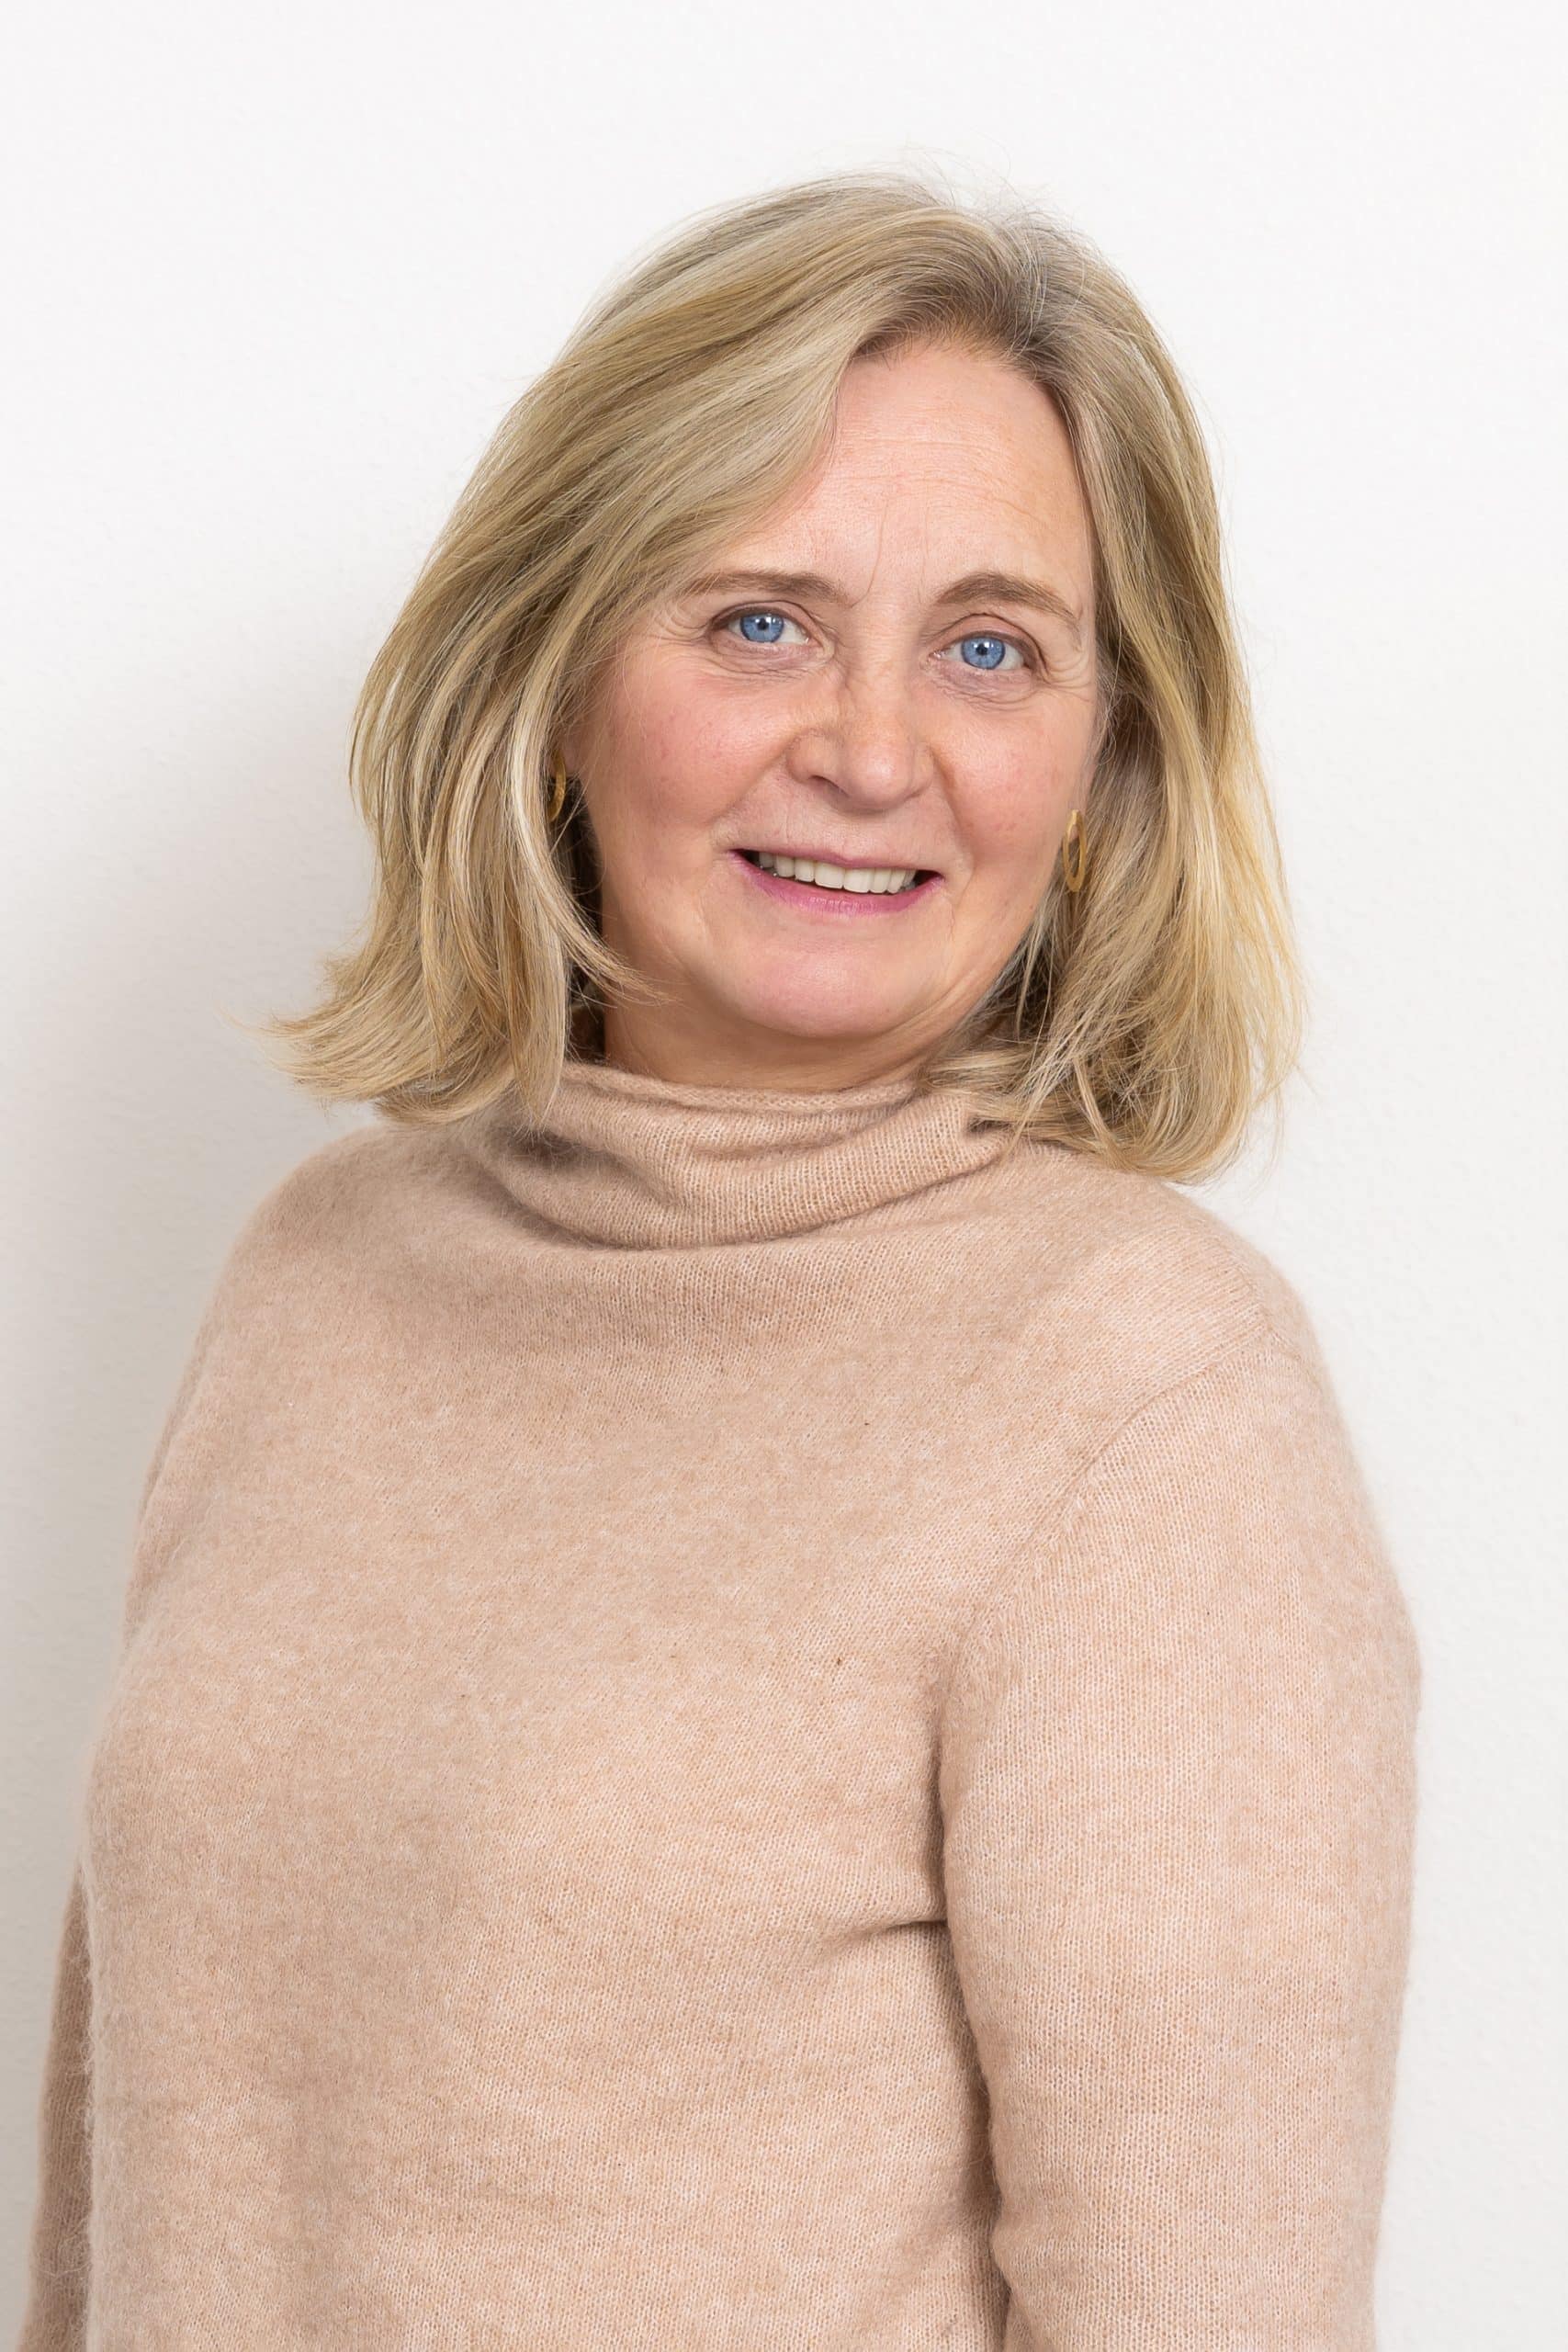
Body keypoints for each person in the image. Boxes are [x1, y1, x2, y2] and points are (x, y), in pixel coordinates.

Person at [17, 166, 1422, 2349]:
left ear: (1100, 758)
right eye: (758, 618)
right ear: (558, 669)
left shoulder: (1143, 1395)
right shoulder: (324, 1271)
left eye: (987, 647)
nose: (866, 749)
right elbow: (128, 2182)